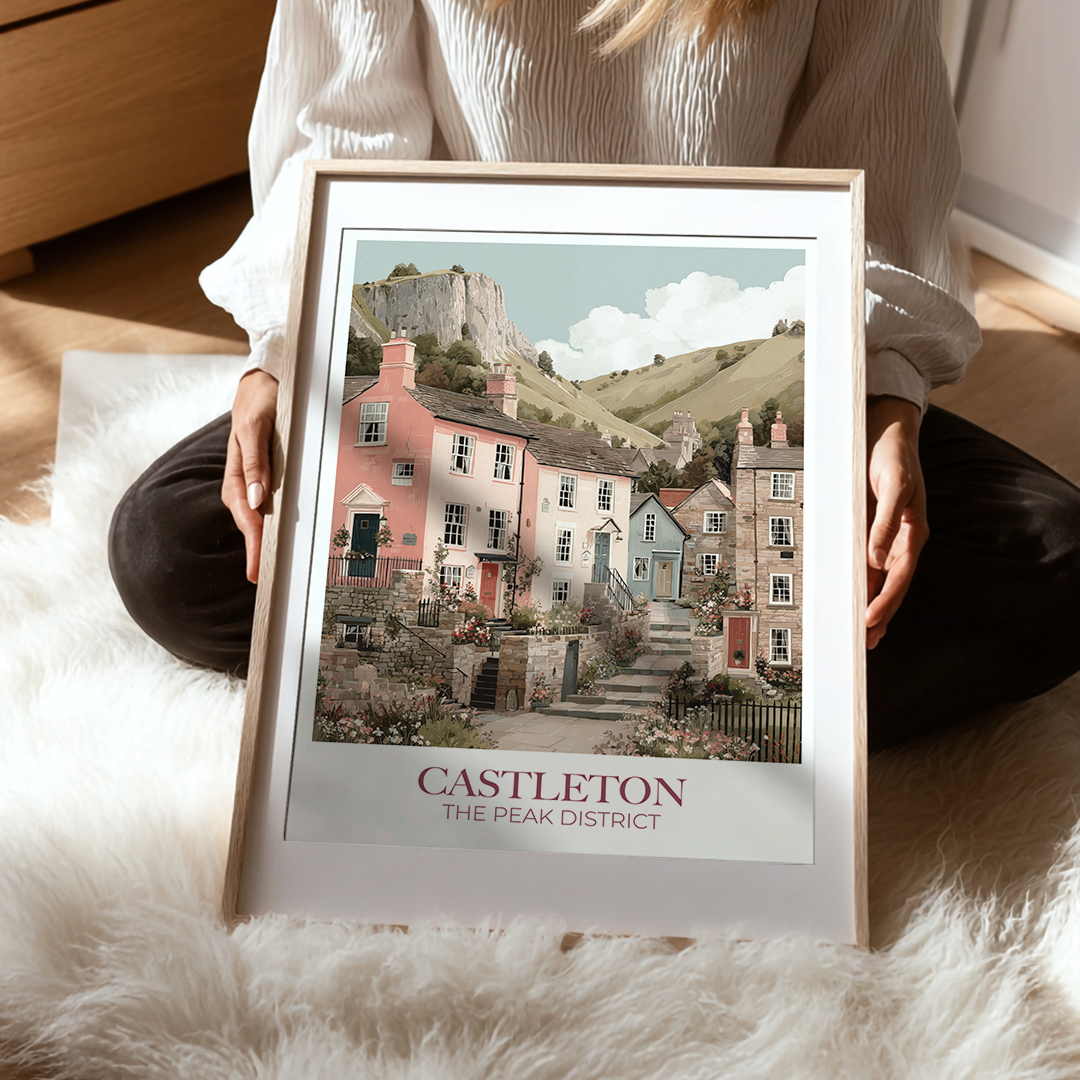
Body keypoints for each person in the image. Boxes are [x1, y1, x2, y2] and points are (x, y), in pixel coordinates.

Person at [108, 0, 1080, 748]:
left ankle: (609, 717)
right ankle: (700, 718)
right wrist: (281, 359)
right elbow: (339, 142)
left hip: (779, 384)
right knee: (175, 546)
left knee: (1055, 560)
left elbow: (876, 170)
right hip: (486, 385)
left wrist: (880, 405)